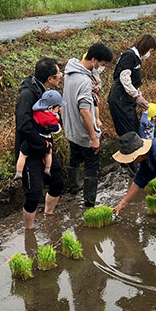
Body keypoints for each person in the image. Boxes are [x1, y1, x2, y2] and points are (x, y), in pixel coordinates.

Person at [15, 58, 65, 229]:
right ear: (50, 79)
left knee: (57, 180)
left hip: (45, 148)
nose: (61, 77)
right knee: (33, 193)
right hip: (31, 149)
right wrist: (42, 144)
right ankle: (29, 231)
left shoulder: (46, 92)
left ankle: (48, 216)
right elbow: (24, 126)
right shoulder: (28, 95)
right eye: (59, 74)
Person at [62, 42, 114, 207]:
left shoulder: (69, 72)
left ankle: (73, 189)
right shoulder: (84, 81)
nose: (101, 68)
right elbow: (85, 111)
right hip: (84, 133)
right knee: (92, 167)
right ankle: (89, 204)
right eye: (102, 64)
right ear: (94, 60)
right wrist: (93, 137)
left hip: (71, 130)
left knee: (74, 159)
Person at [107, 34, 156, 137]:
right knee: (128, 132)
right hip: (120, 99)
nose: (149, 54)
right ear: (145, 47)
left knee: (134, 127)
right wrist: (136, 96)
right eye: (150, 51)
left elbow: (134, 82)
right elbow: (124, 78)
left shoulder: (136, 58)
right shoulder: (129, 55)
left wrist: (139, 95)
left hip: (128, 100)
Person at [14, 90, 66, 180]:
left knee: (22, 154)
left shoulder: (36, 112)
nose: (58, 110)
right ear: (50, 108)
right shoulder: (51, 119)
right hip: (46, 139)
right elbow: (57, 130)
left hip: (33, 139)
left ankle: (19, 172)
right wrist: (57, 121)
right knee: (48, 153)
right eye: (58, 108)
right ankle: (47, 168)